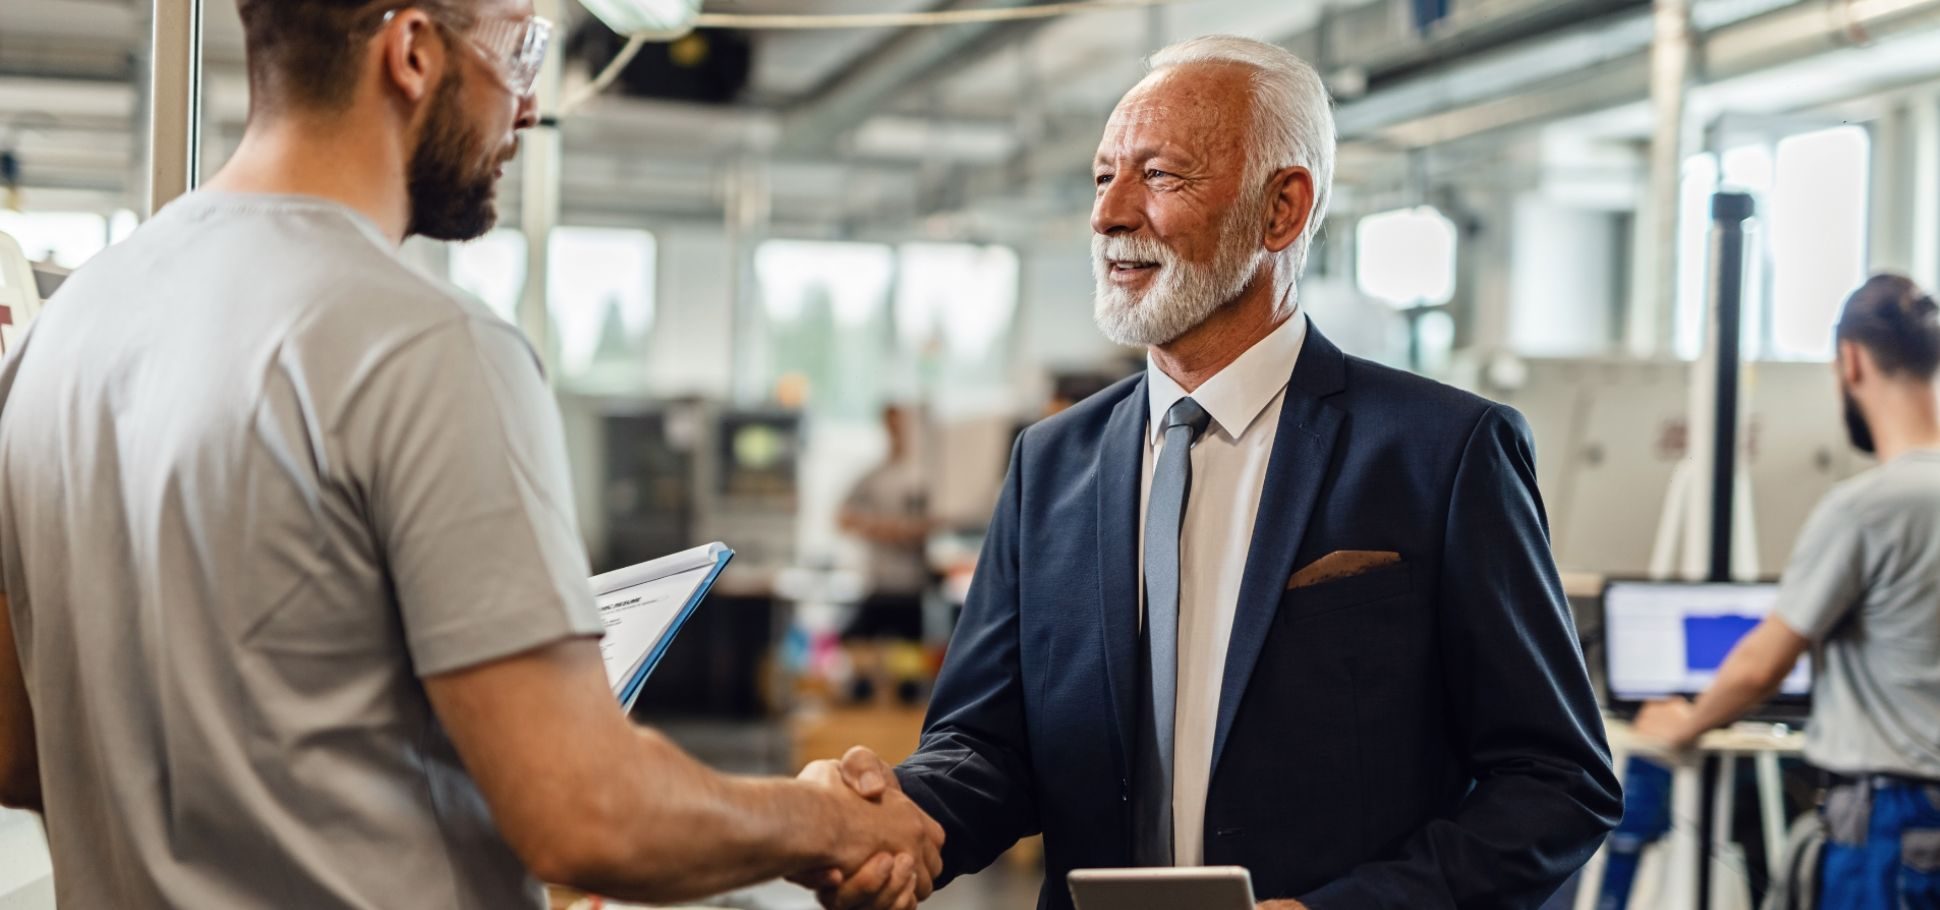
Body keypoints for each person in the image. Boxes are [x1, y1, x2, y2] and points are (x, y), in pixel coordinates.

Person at [0, 1, 940, 908]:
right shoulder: (423, 345)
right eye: (522, 49)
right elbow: (588, 813)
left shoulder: (64, 330)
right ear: (412, 52)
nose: (528, 102)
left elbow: (15, 746)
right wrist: (826, 821)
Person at [817, 34, 1622, 910]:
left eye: (1159, 176)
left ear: (1281, 210)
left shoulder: (1443, 453)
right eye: (1101, 177)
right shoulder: (1053, 463)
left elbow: (1555, 781)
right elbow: (989, 743)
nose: (1109, 214)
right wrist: (904, 819)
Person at [1635, 274, 1940, 907]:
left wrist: (1687, 720)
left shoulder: (1869, 508)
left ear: (1850, 361)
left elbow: (1765, 661)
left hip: (1894, 821)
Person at [839, 404, 934, 641]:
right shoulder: (875, 475)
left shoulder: (924, 477)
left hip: (911, 588)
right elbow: (842, 518)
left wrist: (901, 531)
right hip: (878, 584)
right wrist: (884, 529)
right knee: (854, 647)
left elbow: (931, 526)